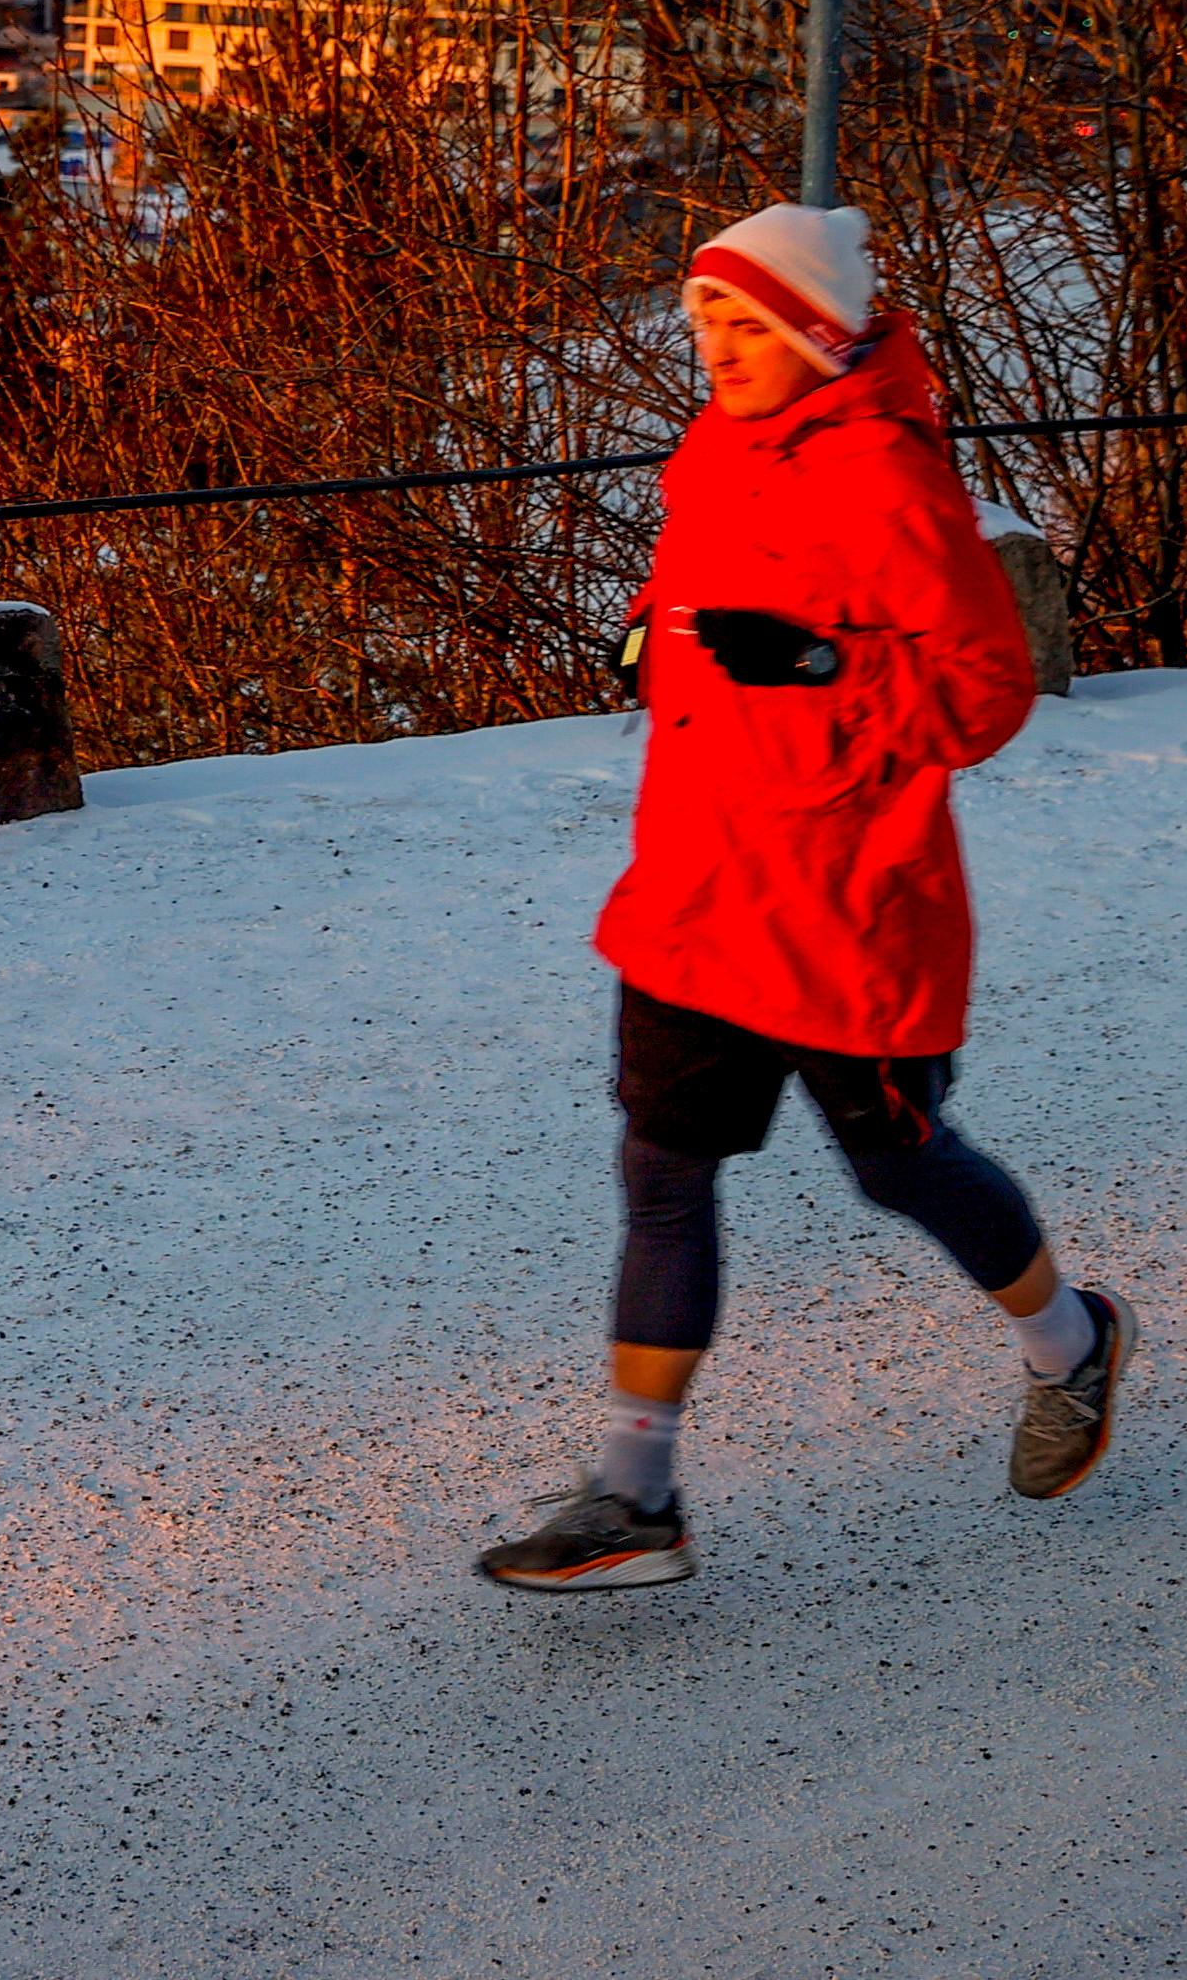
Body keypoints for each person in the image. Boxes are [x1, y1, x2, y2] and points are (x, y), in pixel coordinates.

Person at [479, 203, 1133, 1594]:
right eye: (703, 319)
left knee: (899, 1166)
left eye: (742, 323)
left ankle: (1070, 1342)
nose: (711, 345)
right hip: (700, 886)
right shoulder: (716, 453)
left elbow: (985, 695)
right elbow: (712, 611)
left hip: (849, 906)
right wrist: (652, 631)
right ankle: (636, 1491)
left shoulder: (886, 478)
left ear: (813, 333)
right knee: (662, 1171)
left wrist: (833, 676)